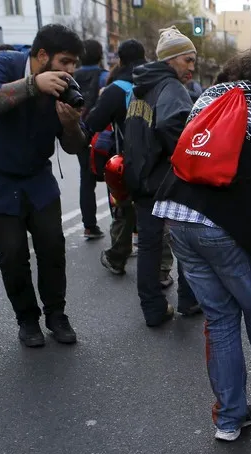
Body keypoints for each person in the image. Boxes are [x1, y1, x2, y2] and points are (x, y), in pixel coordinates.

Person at [154, 44, 251, 442]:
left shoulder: (209, 95)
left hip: (178, 215)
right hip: (225, 226)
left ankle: (229, 419)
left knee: (219, 319)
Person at [0, 24, 87, 347]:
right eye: (65, 62)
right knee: (13, 253)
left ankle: (56, 315)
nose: (71, 71)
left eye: (75, 64)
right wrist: (33, 85)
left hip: (36, 178)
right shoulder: (2, 64)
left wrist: (71, 125)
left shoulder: (65, 87)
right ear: (42, 56)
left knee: (52, 245)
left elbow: (75, 146)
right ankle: (27, 320)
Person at [122, 27, 200, 326]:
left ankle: (153, 309)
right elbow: (173, 127)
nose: (192, 67)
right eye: (187, 60)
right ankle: (190, 301)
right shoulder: (171, 87)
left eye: (194, 61)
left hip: (141, 178)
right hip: (167, 179)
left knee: (149, 246)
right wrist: (190, 162)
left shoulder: (141, 86)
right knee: (186, 241)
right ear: (170, 60)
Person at [84, 39, 146, 282]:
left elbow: (94, 123)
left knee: (123, 205)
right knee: (154, 212)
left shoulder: (117, 87)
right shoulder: (160, 82)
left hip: (126, 160)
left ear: (120, 60)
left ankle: (118, 256)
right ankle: (162, 269)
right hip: (158, 160)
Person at [73, 39, 109, 240]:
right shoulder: (105, 77)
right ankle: (122, 229)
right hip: (103, 137)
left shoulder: (72, 77)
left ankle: (89, 225)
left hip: (79, 133)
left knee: (86, 180)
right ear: (100, 55)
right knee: (114, 179)